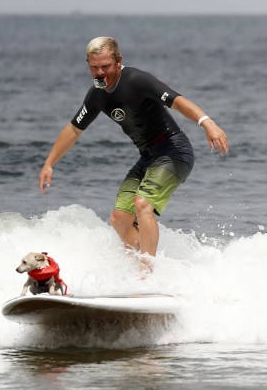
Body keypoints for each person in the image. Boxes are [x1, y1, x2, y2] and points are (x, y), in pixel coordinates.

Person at [39, 37, 228, 271]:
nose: (100, 73)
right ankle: (145, 268)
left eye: (105, 66)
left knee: (142, 204)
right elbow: (74, 129)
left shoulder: (137, 80)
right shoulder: (97, 95)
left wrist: (207, 123)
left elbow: (177, 101)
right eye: (94, 67)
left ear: (119, 61)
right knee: (119, 219)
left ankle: (147, 272)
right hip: (148, 157)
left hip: (174, 151)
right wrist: (49, 163)